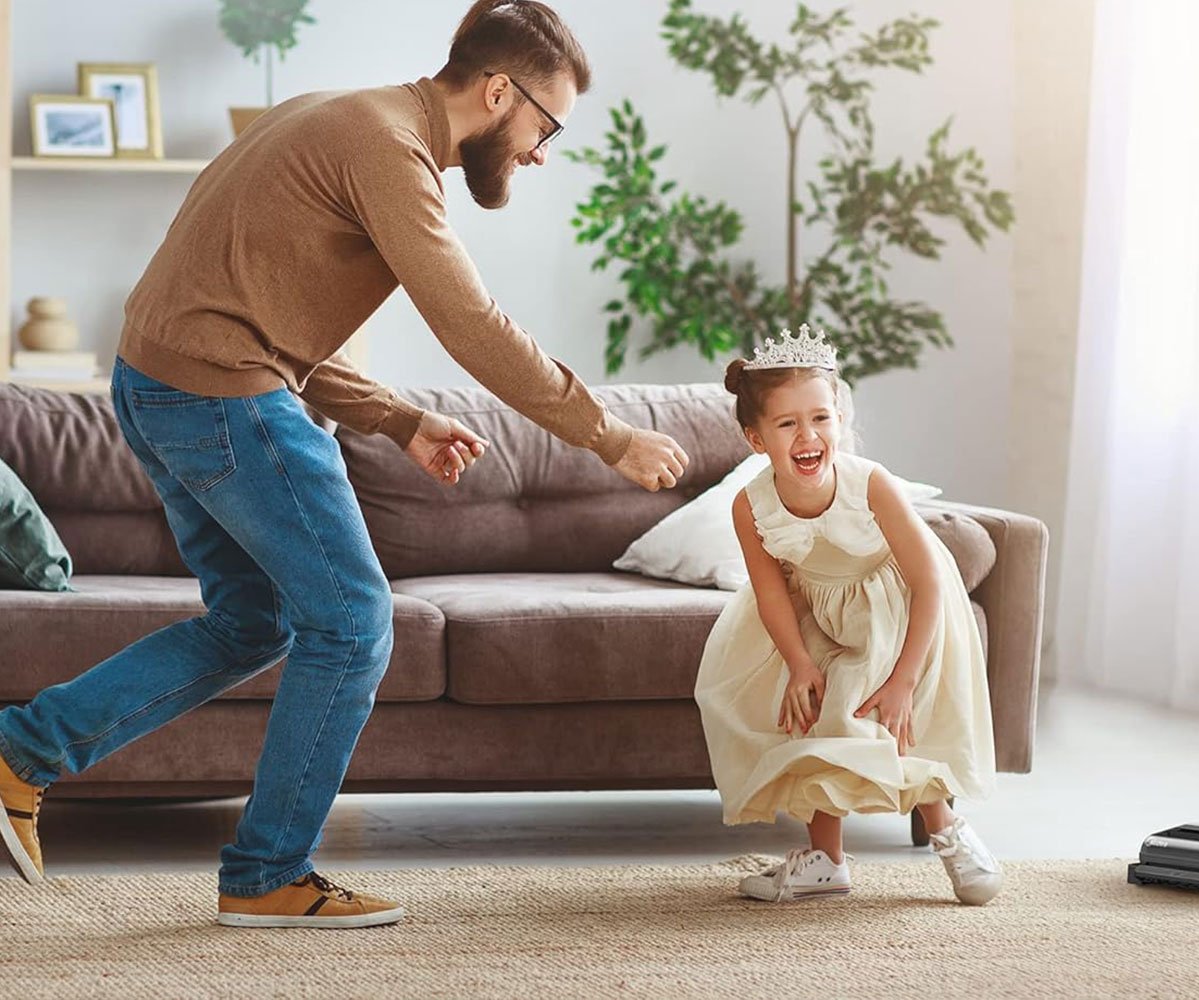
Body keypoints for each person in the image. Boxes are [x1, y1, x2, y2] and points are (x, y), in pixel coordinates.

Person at [0, 0, 688, 929]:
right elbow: (472, 325)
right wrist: (608, 433)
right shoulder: (389, 152)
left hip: (161, 382)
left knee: (256, 620)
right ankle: (266, 873)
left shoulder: (343, 114)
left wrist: (400, 421)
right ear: (498, 91)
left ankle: (20, 754)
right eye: (546, 126)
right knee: (355, 621)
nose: (540, 153)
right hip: (220, 397)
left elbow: (264, 312)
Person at [694, 325, 1003, 906]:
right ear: (757, 439)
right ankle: (826, 862)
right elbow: (769, 592)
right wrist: (798, 663)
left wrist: (904, 680)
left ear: (839, 419)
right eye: (787, 424)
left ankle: (948, 832)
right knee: (817, 716)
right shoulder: (750, 504)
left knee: (883, 718)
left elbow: (928, 579)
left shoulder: (871, 484)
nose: (807, 435)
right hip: (818, 613)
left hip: (899, 609)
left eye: (820, 418)